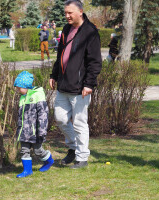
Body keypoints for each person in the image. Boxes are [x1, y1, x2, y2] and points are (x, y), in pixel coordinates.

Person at [49, 0, 102, 169]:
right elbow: (61, 55)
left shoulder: (90, 32)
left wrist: (89, 84)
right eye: (65, 13)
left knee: (79, 123)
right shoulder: (66, 29)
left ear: (80, 12)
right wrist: (54, 74)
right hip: (63, 85)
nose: (67, 16)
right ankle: (73, 148)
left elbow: (95, 62)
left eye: (70, 13)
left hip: (80, 88)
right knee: (61, 119)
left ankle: (82, 157)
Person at [14, 71, 54, 178]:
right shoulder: (23, 97)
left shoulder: (37, 96)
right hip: (24, 131)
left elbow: (43, 114)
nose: (18, 90)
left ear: (26, 86)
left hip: (35, 131)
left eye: (19, 88)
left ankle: (49, 161)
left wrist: (42, 130)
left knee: (38, 151)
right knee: (24, 150)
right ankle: (27, 170)